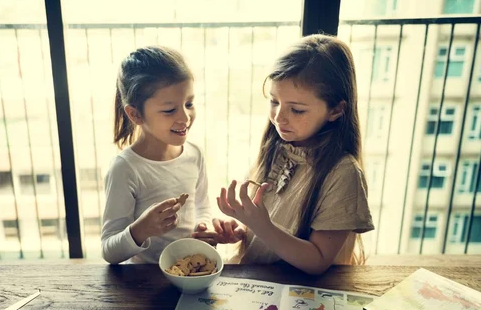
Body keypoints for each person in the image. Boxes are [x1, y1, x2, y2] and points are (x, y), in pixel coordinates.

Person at [194, 34, 374, 275]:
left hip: (302, 295)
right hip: (256, 283)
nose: (279, 117)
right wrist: (239, 230)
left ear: (336, 110)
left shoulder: (343, 173)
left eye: (297, 110)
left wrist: (262, 225)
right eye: (274, 102)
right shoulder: (277, 148)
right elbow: (267, 229)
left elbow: (317, 261)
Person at [101, 46, 211, 264]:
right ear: (135, 114)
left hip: (192, 273)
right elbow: (109, 251)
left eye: (189, 104)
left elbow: (202, 206)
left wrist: (204, 228)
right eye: (170, 110)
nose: (185, 117)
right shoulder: (125, 169)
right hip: (146, 283)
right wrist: (141, 230)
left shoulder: (194, 154)